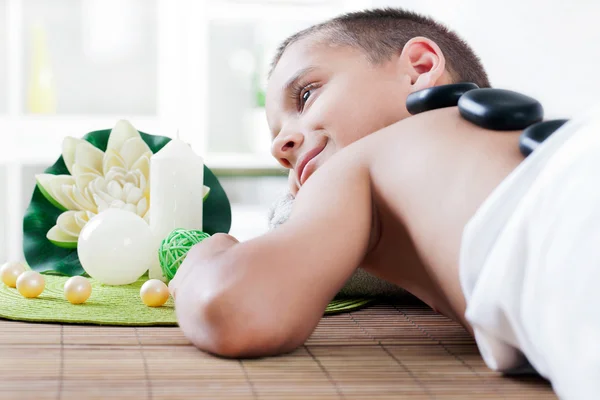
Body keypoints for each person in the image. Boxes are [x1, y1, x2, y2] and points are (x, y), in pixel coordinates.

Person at [170, 8, 600, 399]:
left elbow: (233, 306)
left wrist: (209, 254)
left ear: (420, 68)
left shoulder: (359, 161)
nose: (282, 146)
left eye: (305, 96)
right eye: (277, 140)